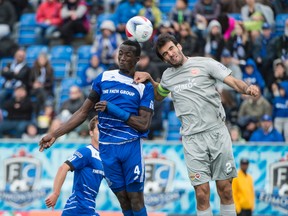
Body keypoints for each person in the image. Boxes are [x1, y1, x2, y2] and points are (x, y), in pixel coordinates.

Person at [134, 33, 259, 216]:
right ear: (163, 59)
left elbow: (231, 81)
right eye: (165, 54)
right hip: (192, 140)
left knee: (224, 189)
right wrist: (151, 79)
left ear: (179, 46)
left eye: (171, 48)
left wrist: (247, 88)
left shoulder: (205, 63)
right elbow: (160, 95)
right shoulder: (167, 76)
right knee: (201, 193)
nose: (170, 54)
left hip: (217, 133)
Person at [39, 40, 154, 216]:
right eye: (120, 53)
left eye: (128, 55)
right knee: (123, 199)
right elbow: (83, 112)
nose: (122, 58)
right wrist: (55, 134)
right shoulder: (104, 78)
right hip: (107, 150)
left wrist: (113, 110)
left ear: (137, 58)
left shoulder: (143, 86)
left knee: (136, 198)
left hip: (130, 147)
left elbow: (143, 124)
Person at [45, 116, 105, 216]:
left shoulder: (105, 157)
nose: (102, 132)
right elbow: (63, 168)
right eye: (99, 129)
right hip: (77, 208)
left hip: (88, 208)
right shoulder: (86, 152)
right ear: (91, 132)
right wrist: (55, 193)